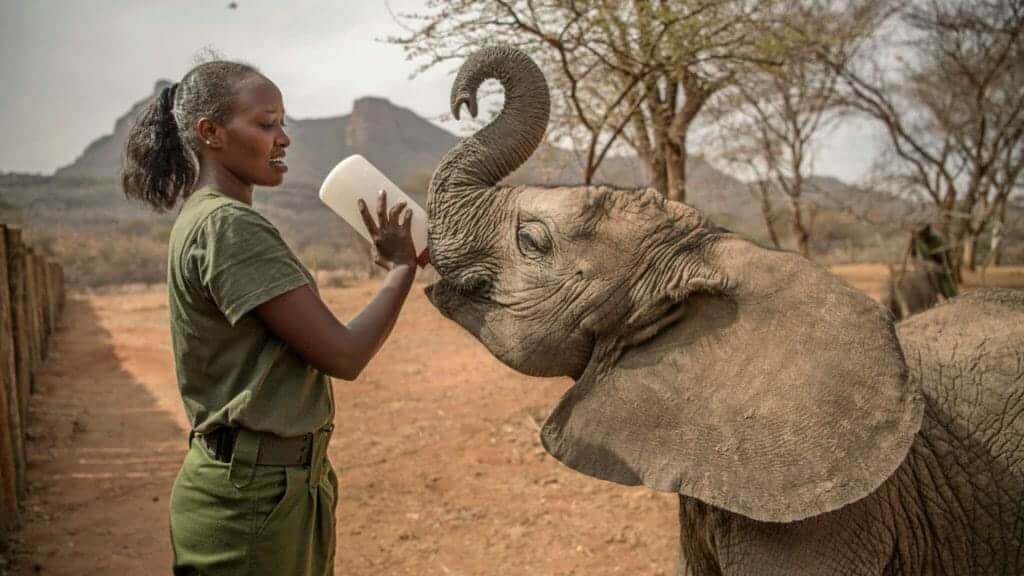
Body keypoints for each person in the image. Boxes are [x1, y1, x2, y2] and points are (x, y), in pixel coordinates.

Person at [122, 60, 418, 575]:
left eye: (283, 124)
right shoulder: (229, 227)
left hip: (267, 488)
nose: (283, 139)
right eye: (265, 124)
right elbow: (343, 355)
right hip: (253, 502)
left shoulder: (206, 218)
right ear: (210, 133)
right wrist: (401, 268)